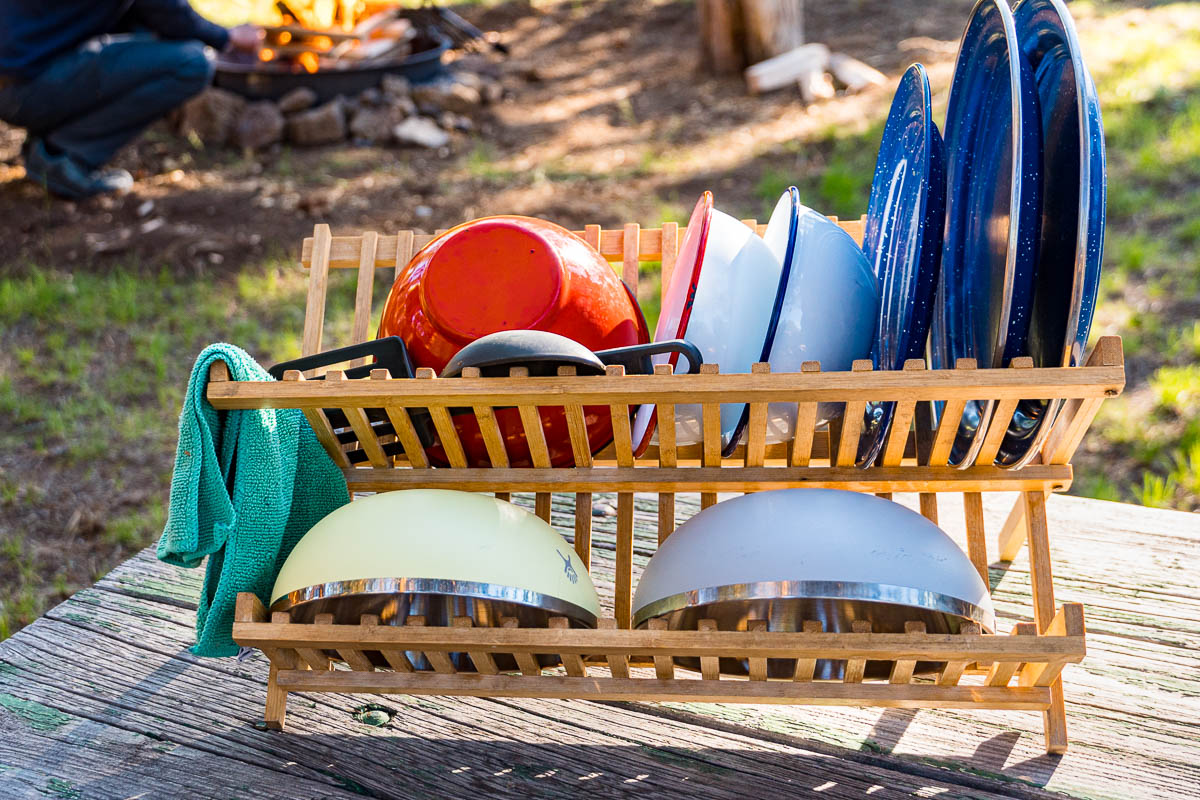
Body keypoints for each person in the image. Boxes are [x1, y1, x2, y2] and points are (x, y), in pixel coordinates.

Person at [0, 1, 260, 199]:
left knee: (145, 37)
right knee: (191, 63)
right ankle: (62, 154)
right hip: (23, 89)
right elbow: (164, 9)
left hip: (17, 80)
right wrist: (227, 37)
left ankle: (50, 139)